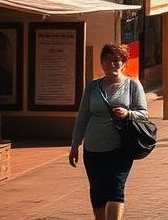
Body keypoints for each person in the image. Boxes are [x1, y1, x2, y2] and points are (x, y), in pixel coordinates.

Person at [70, 44, 149, 220]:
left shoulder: (132, 85)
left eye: (116, 60)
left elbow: (144, 114)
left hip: (120, 147)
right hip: (93, 149)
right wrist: (75, 144)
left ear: (123, 63)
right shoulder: (92, 87)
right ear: (102, 63)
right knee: (98, 191)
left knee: (115, 188)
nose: (111, 64)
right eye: (107, 60)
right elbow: (83, 116)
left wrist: (128, 113)